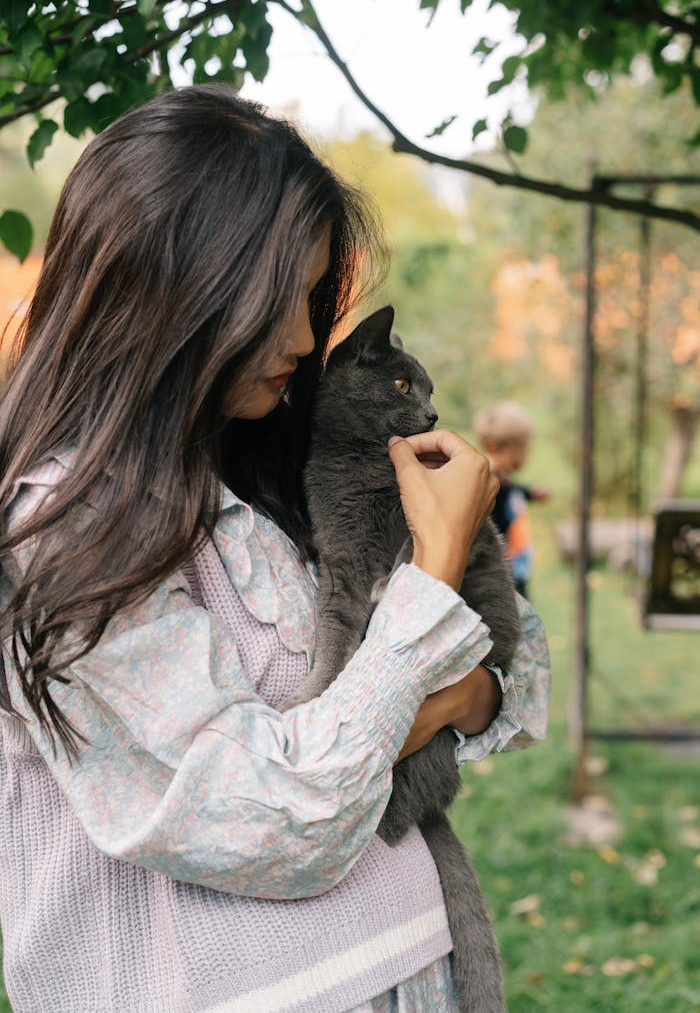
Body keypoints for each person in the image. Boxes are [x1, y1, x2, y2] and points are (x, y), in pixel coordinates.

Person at [0, 86, 550, 1013]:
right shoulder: (64, 526)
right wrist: (435, 583)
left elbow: (519, 669)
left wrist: (463, 690)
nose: (305, 337)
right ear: (173, 284)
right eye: (277, 299)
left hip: (422, 967)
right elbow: (273, 817)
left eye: (310, 297)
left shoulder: (271, 455)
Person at [473, 401, 550, 598]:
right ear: (493, 446)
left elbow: (511, 491)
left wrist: (530, 493)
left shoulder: (502, 479)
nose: (526, 455)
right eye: (521, 448)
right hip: (501, 569)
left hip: (515, 563)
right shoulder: (489, 481)